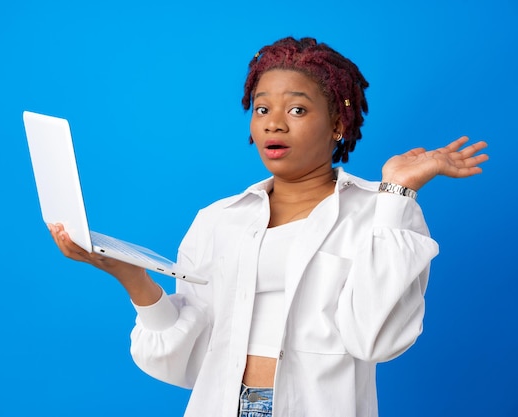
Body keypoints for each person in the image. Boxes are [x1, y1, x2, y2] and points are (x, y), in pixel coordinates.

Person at [47, 37, 488, 417]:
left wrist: (396, 192)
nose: (274, 122)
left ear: (338, 123)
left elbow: (376, 340)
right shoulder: (219, 218)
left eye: (297, 108)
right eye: (262, 109)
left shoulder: (383, 212)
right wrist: (134, 279)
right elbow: (185, 356)